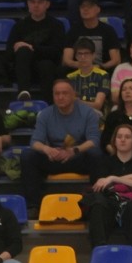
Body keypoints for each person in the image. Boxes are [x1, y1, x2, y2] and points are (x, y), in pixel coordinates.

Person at [22, 79, 102, 212]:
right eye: (57, 94)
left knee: (96, 154)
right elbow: (34, 142)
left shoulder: (88, 113)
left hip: (78, 157)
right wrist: (47, 149)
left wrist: (74, 151)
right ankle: (33, 206)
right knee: (28, 155)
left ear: (73, 95)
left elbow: (94, 141)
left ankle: (97, 203)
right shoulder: (45, 114)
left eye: (64, 93)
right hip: (54, 157)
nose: (60, 97)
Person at [89, 124, 132, 256]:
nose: (122, 140)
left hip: (130, 207)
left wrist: (112, 178)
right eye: (119, 137)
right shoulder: (103, 161)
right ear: (114, 141)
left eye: (127, 137)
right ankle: (99, 252)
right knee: (98, 205)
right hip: (109, 204)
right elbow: (101, 185)